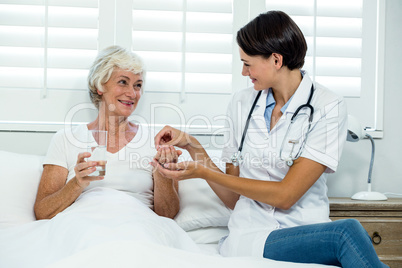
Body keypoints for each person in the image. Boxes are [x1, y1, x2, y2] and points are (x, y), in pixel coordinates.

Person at [152, 11, 388, 268]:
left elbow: (286, 196)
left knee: (348, 235)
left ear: (276, 59)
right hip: (251, 236)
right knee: (349, 235)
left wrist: (203, 172)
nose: (243, 72)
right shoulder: (241, 104)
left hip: (304, 231)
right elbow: (233, 199)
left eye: (248, 63)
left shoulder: (327, 106)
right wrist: (193, 146)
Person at [34, 45, 181, 220]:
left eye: (138, 85)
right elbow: (43, 213)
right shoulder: (65, 139)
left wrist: (163, 174)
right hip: (81, 228)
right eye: (123, 82)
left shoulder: (158, 142)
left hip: (138, 228)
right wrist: (77, 183)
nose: (132, 93)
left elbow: (168, 215)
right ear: (99, 85)